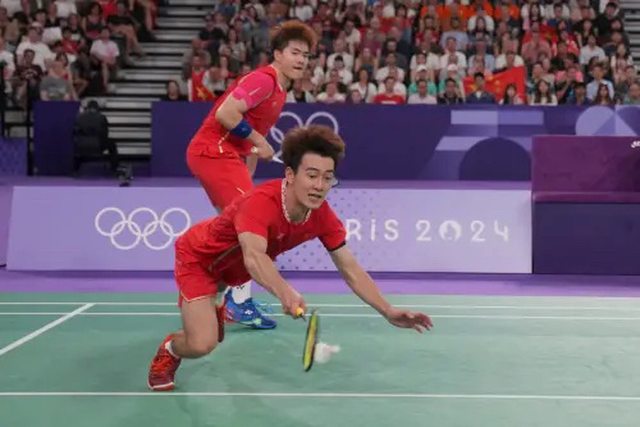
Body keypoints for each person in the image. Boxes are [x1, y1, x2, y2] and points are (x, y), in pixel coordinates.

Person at [148, 125, 434, 392]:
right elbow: (254, 256)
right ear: (290, 174)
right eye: (312, 175)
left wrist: (387, 310)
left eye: (327, 177)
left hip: (233, 271)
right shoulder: (261, 202)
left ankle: (216, 302)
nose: (319, 185)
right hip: (200, 259)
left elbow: (350, 268)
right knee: (203, 343)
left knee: (218, 305)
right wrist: (285, 291)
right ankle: (170, 349)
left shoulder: (322, 216)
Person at [186, 20, 317, 330]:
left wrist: (251, 169)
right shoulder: (264, 80)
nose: (301, 60)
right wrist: (260, 141)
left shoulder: (281, 91)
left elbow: (252, 140)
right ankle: (237, 301)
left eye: (306, 55)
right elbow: (225, 114)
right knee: (254, 224)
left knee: (236, 229)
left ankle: (216, 292)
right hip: (213, 151)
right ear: (278, 54)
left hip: (228, 156)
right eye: (295, 52)